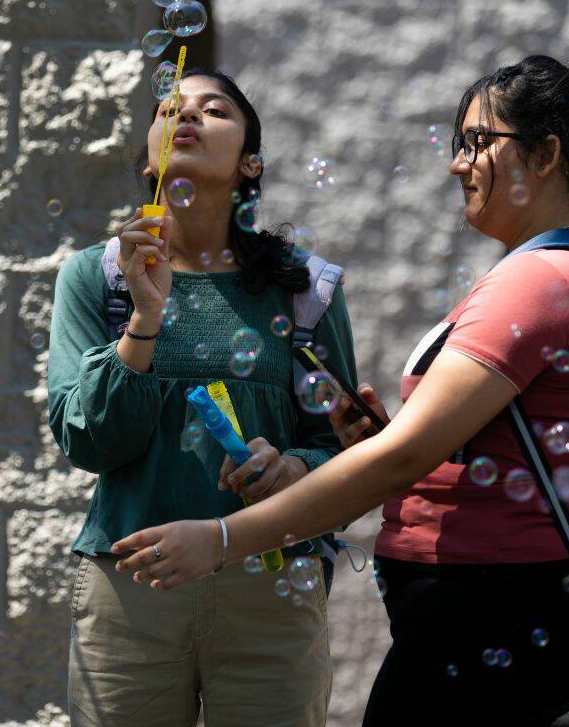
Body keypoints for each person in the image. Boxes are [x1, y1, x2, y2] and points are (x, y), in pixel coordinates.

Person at [112, 56, 569, 725]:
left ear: (547, 153)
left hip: (495, 611)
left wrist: (220, 538)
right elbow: (452, 448)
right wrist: (389, 445)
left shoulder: (544, 280)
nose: (456, 165)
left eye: (476, 142)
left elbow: (402, 458)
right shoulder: (561, 267)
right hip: (499, 609)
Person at [47, 69, 359, 726]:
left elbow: (348, 452)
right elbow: (86, 441)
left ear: (251, 160)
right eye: (170, 109)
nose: (187, 117)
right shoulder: (97, 277)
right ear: (150, 151)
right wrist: (144, 318)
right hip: (132, 586)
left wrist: (293, 468)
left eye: (213, 110)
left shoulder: (306, 289)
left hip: (271, 588)